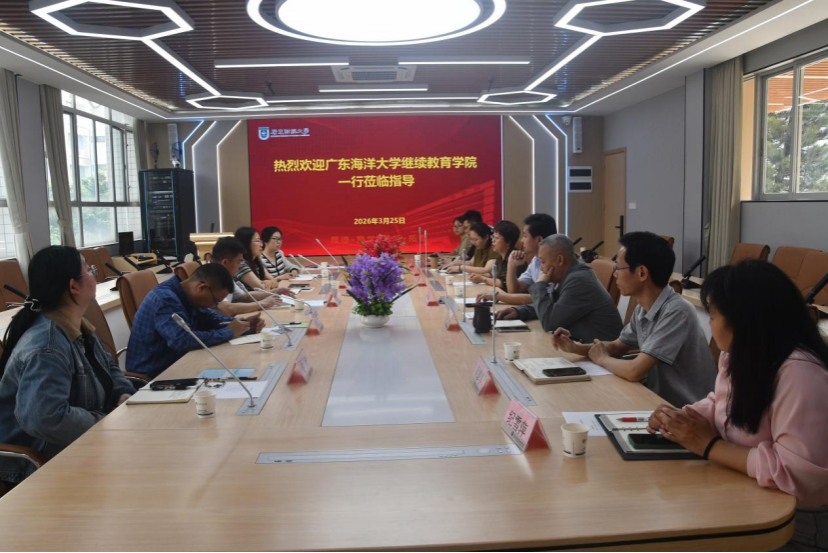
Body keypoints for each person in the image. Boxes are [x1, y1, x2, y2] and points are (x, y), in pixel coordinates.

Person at [648, 261, 828, 552]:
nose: (710, 324)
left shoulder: (800, 373)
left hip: (794, 524)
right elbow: (720, 402)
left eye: (713, 315)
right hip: (747, 495)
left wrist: (708, 445)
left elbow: (793, 472)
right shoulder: (740, 355)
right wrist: (683, 418)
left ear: (744, 319)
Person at [0, 247, 135, 487]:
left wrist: (122, 392)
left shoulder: (75, 324)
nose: (94, 274)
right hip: (40, 461)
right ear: (74, 287)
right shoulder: (46, 346)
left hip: (77, 444)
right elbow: (45, 418)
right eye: (89, 270)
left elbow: (107, 365)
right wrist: (106, 423)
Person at [552, 232, 715, 407]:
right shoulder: (643, 307)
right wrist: (576, 347)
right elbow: (617, 347)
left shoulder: (677, 311)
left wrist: (601, 359)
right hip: (657, 401)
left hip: (685, 411)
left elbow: (635, 371)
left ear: (641, 273)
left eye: (618, 268)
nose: (615, 274)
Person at [125, 264, 264, 379]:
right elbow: (182, 340)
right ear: (202, 288)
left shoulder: (187, 295)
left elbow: (211, 319)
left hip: (180, 363)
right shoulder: (165, 299)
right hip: (155, 373)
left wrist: (242, 325)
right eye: (215, 301)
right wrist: (229, 332)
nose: (214, 306)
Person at [498, 235, 622, 339]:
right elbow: (552, 306)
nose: (541, 267)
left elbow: (549, 322)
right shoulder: (567, 274)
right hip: (582, 344)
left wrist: (540, 285)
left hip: (601, 351)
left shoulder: (579, 280)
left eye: (543, 261)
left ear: (559, 260)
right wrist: (519, 311)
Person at [477, 213, 557, 305]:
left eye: (525, 236)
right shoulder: (536, 261)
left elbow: (539, 297)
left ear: (539, 240)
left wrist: (497, 295)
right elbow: (514, 290)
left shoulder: (554, 264)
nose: (522, 240)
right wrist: (512, 265)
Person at [210, 237, 284, 316]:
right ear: (225, 262)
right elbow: (228, 308)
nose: (240, 266)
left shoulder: (225, 275)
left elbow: (243, 297)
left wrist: (274, 292)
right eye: (238, 262)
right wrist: (262, 303)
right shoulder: (210, 277)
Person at [470, 220, 524, 288]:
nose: (493, 240)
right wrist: (479, 275)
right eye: (493, 237)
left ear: (508, 242)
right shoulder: (500, 256)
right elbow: (493, 274)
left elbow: (503, 283)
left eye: (497, 238)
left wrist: (482, 279)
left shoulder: (516, 257)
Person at [235, 227, 276, 291]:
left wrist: (269, 282)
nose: (261, 245)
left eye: (260, 241)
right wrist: (269, 283)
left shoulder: (256, 261)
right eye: (257, 241)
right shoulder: (241, 264)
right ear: (246, 243)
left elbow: (275, 281)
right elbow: (262, 288)